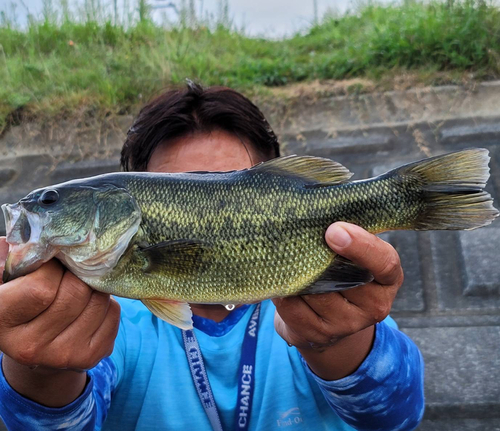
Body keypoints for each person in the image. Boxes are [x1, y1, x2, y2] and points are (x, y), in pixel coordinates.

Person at [0, 82, 424, 431]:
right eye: (181, 187)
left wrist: (340, 343)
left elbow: (397, 416)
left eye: (226, 185)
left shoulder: (341, 306)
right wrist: (40, 371)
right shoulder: (110, 319)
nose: (205, 204)